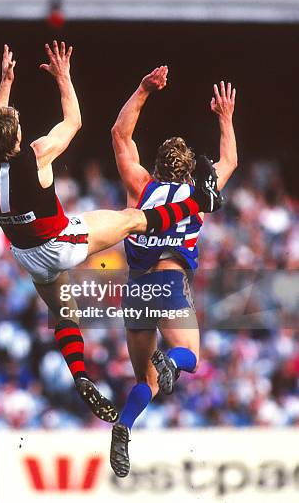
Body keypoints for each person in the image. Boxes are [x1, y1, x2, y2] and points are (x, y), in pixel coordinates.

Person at [0, 43, 222, 423]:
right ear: (18, 140)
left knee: (63, 312)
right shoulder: (36, 155)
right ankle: (201, 202)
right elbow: (73, 121)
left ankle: (80, 375)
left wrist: (5, 82)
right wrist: (63, 77)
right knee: (133, 218)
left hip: (24, 252)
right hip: (59, 242)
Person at [110, 65, 237, 476]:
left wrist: (143, 89)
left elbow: (119, 134)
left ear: (159, 165)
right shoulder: (202, 193)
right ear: (187, 170)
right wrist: (225, 118)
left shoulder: (141, 185)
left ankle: (123, 425)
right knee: (190, 356)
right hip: (168, 284)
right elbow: (230, 158)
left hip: (135, 292)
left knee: (144, 378)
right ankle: (172, 363)